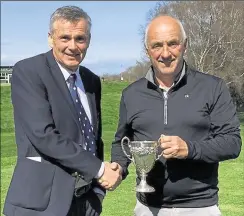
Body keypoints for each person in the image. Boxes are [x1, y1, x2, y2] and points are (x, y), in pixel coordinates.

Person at [110, 15, 242, 216]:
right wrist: (118, 168)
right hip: (148, 208)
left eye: (173, 43)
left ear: (185, 45)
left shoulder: (213, 87)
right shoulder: (131, 94)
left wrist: (190, 149)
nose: (165, 53)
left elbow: (232, 143)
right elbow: (122, 142)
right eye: (156, 46)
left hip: (200, 207)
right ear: (147, 51)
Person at [3, 5, 121, 216]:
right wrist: (100, 169)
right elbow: (43, 135)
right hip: (42, 204)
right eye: (65, 38)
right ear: (51, 38)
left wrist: (97, 191)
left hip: (86, 203)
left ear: (89, 40)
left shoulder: (91, 80)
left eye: (80, 38)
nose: (73, 46)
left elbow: (93, 138)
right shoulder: (29, 71)